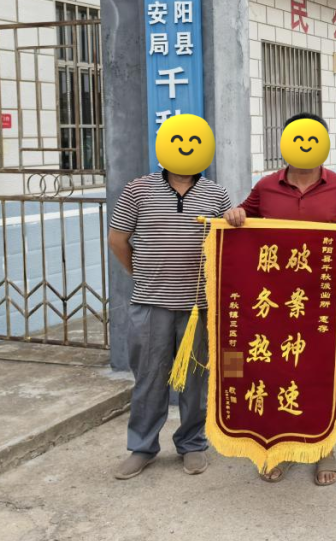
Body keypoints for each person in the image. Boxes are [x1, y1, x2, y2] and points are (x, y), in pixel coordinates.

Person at [223, 111, 336, 487]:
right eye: (298, 138)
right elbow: (243, 216)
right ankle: (281, 448)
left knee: (320, 373)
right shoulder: (265, 187)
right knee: (277, 372)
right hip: (275, 303)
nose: (305, 145)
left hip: (323, 303)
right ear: (285, 143)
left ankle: (324, 446)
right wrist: (236, 214)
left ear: (323, 144)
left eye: (312, 139)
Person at [107, 162, 233, 481]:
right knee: (149, 378)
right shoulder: (138, 189)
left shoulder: (216, 194)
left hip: (199, 307)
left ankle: (192, 444)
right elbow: (117, 239)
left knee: (195, 380)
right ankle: (143, 447)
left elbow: (230, 243)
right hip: (151, 305)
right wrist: (140, 274)